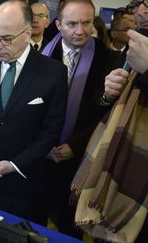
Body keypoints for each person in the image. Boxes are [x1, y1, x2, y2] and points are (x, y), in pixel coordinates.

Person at [0, 0, 68, 226]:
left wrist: (15, 165)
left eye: (6, 39)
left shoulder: (53, 73)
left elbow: (50, 131)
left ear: (27, 34)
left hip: (25, 186)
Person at [41, 0, 119, 238]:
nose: (80, 30)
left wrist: (74, 145)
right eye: (72, 24)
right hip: (41, 153)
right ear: (58, 24)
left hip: (80, 156)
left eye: (86, 23)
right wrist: (44, 145)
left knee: (69, 225)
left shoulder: (109, 60)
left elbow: (104, 113)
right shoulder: (41, 54)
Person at [71, 1, 148, 239]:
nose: (142, 11)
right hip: (111, 177)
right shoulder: (134, 47)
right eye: (141, 4)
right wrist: (107, 93)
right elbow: (100, 106)